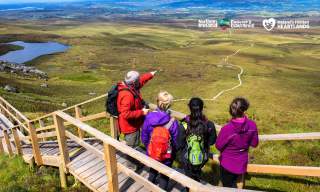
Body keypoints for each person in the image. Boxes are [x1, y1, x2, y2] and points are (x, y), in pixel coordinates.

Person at [216, 97, 259, 188]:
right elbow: (254, 143)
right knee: (240, 183)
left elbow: (218, 146)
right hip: (242, 162)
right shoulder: (252, 125)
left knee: (227, 186)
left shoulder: (226, 129)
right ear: (244, 110)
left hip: (227, 163)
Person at [117, 70, 157, 168]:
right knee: (132, 146)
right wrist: (142, 112)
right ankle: (131, 166)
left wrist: (150, 75)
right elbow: (125, 114)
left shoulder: (130, 86)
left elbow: (142, 81)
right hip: (130, 127)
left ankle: (135, 162)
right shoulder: (128, 95)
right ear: (134, 82)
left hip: (133, 124)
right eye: (138, 79)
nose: (140, 80)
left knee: (134, 144)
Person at [141, 91, 179, 190]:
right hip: (166, 156)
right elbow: (175, 142)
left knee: (152, 171)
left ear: (158, 102)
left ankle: (149, 186)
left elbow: (144, 136)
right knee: (164, 176)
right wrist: (172, 154)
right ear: (169, 104)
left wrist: (149, 148)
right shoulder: (173, 122)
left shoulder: (149, 117)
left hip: (152, 152)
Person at [179, 97, 217, 183]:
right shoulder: (209, 124)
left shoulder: (184, 123)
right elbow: (212, 142)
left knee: (188, 179)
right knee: (197, 178)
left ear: (189, 107)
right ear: (202, 107)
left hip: (186, 157)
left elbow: (179, 144)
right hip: (202, 157)